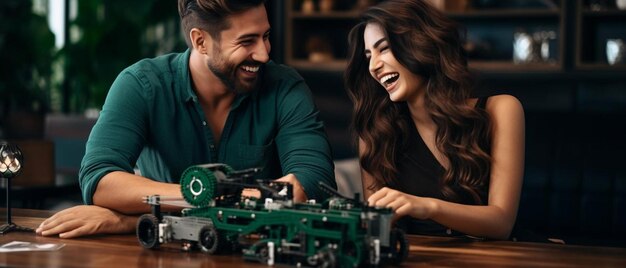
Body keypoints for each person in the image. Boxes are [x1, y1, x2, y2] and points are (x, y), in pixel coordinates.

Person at [36, 0, 335, 238]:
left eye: (266, 36)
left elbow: (313, 183)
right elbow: (100, 179)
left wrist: (139, 217)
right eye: (247, 41)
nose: (264, 54)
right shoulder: (141, 85)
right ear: (200, 41)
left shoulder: (286, 87)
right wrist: (205, 197)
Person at [344, 0, 525, 240]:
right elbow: (380, 228)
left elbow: (501, 223)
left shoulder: (501, 110)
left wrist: (427, 207)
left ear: (420, 44)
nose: (374, 66)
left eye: (384, 48)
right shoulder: (375, 132)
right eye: (368, 56)